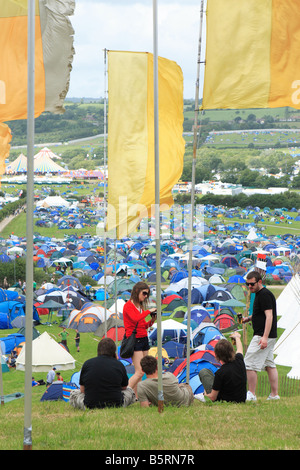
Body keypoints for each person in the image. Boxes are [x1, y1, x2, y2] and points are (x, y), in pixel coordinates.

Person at [69, 337, 137, 410]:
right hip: (117, 404)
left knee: (74, 393)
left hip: (89, 405)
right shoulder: (119, 365)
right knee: (130, 390)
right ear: (114, 352)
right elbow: (124, 387)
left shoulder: (87, 364)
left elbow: (82, 390)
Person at [242, 271, 279, 401]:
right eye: (247, 284)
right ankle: (274, 395)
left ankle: (251, 394)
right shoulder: (258, 294)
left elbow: (269, 316)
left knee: (249, 363)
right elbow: (261, 314)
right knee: (269, 364)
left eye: (252, 284)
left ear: (259, 282)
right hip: (268, 335)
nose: (249, 287)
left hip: (263, 335)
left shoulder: (264, 295)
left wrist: (264, 337)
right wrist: (249, 318)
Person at [122, 282, 157, 394]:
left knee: (145, 370)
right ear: (137, 291)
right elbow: (135, 318)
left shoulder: (140, 306)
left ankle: (136, 396)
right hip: (134, 339)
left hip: (143, 338)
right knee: (139, 372)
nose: (146, 296)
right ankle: (124, 393)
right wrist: (148, 311)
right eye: (144, 293)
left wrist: (152, 321)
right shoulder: (128, 306)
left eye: (147, 294)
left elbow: (142, 325)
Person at [198, 332, 247, 403]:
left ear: (217, 357)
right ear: (232, 351)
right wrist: (237, 337)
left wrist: (205, 394)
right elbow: (240, 348)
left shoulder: (220, 373)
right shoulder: (239, 360)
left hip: (224, 400)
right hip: (241, 399)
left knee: (204, 372)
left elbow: (213, 397)